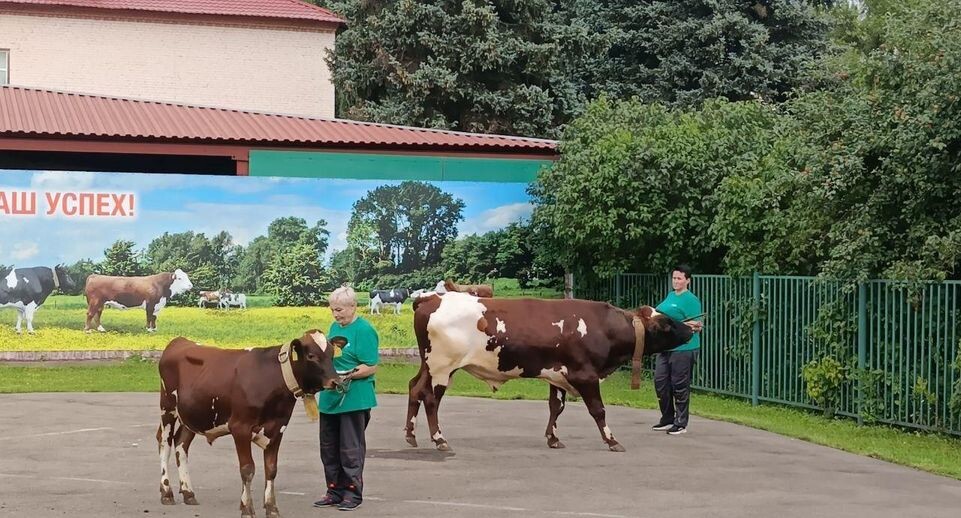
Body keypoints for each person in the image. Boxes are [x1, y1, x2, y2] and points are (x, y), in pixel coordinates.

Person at [314, 286, 379, 511]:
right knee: (328, 447)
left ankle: (352, 493)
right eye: (333, 310)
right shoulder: (334, 328)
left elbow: (371, 366)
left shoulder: (364, 330)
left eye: (340, 310)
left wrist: (348, 375)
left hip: (354, 398)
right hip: (330, 397)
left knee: (350, 448)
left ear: (353, 306)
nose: (336, 315)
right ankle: (333, 490)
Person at [651, 264, 704, 435]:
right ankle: (667, 418)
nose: (676, 281)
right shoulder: (670, 295)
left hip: (684, 348)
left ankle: (681, 423)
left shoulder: (691, 300)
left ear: (687, 280)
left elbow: (696, 325)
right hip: (665, 346)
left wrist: (673, 324)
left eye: (679, 278)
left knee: (679, 385)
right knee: (661, 382)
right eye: (674, 278)